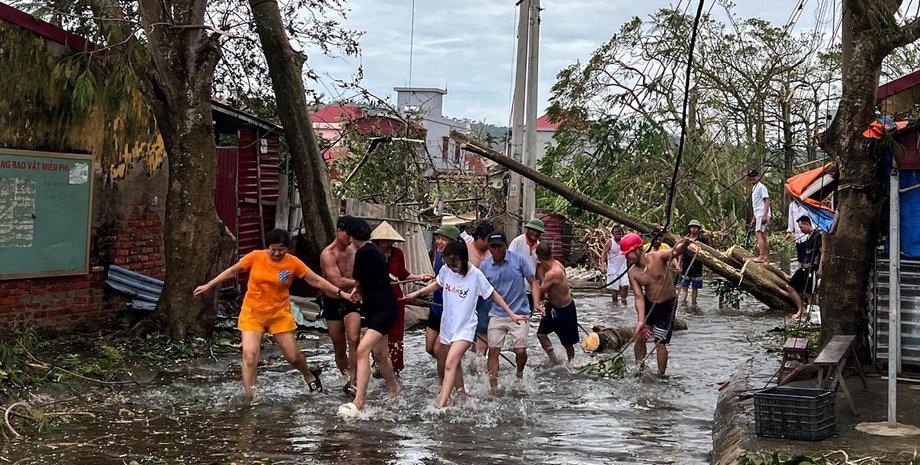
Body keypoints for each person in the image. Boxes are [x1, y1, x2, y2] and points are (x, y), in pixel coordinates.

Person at [193, 228, 350, 402]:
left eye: (281, 249)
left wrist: (340, 293)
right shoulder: (256, 256)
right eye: (272, 249)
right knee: (250, 355)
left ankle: (308, 375)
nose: (276, 253)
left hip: (279, 314)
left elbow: (316, 280)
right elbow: (233, 271)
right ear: (267, 247)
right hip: (253, 312)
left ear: (287, 248)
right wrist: (209, 285)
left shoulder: (293, 263)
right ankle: (250, 396)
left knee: (293, 357)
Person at [404, 242, 524, 407]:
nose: (452, 267)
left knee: (450, 363)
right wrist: (417, 293)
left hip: (466, 328)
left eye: (455, 264)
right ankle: (461, 394)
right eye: (448, 264)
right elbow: (438, 283)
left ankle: (441, 404)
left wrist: (511, 313)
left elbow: (492, 294)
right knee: (452, 360)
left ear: (463, 259)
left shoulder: (475, 275)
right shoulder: (446, 270)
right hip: (448, 325)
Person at [339, 218, 400, 415]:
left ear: (351, 236)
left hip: (382, 308)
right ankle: (394, 389)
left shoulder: (363, 252)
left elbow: (358, 280)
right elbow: (367, 281)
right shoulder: (374, 250)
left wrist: (356, 291)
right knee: (380, 354)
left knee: (362, 349)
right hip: (379, 307)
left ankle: (359, 400)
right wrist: (360, 292)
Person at [622, 232, 693, 377]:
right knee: (641, 337)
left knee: (660, 341)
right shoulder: (633, 273)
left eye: (628, 253)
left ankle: (661, 375)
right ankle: (639, 370)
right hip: (649, 303)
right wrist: (641, 321)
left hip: (667, 304)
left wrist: (685, 244)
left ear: (638, 249)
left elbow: (674, 252)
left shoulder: (657, 257)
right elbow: (638, 297)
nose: (626, 257)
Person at [369, 221, 433, 375]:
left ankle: (395, 367)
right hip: (377, 300)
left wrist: (420, 277)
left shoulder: (397, 253)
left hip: (396, 299)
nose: (387, 243)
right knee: (377, 333)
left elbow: (403, 274)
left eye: (390, 240)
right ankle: (378, 363)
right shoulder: (370, 254)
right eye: (384, 240)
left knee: (396, 334)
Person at [481, 232, 541, 391]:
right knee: (493, 351)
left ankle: (519, 374)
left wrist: (536, 303)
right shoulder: (485, 266)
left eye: (499, 246)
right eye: (493, 247)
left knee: (520, 351)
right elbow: (481, 291)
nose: (496, 250)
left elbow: (533, 282)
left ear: (505, 246)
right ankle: (493, 388)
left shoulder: (518, 260)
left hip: (520, 312)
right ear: (489, 248)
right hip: (497, 313)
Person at [320, 216, 361, 394]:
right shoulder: (328, 254)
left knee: (353, 338)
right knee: (339, 345)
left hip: (352, 301)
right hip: (333, 301)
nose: (351, 239)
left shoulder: (356, 249)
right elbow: (335, 280)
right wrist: (360, 282)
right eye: (348, 235)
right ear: (339, 231)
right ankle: (346, 376)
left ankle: (355, 378)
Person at [534, 243, 579, 365]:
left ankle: (571, 363)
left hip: (565, 309)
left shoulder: (554, 272)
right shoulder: (553, 265)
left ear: (539, 258)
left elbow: (540, 290)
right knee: (541, 334)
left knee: (567, 343)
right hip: (552, 306)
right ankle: (553, 359)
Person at [427, 224, 461, 383]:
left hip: (449, 312)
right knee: (430, 348)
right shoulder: (437, 255)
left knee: (438, 349)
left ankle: (444, 382)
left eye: (443, 239)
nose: (439, 242)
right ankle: (452, 364)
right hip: (436, 307)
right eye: (438, 238)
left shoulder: (458, 263)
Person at [787, 215, 823, 321]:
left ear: (807, 224)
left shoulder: (818, 236)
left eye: (801, 227)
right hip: (805, 267)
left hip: (812, 268)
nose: (800, 230)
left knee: (810, 294)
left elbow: (822, 252)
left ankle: (813, 317)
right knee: (790, 287)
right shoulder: (808, 236)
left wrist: (820, 268)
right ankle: (801, 309)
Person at [467, 222, 495, 355]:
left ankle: (480, 358)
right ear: (478, 238)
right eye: (487, 241)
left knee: (484, 327)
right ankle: (470, 355)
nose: (490, 245)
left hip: (486, 296)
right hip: (468, 295)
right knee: (469, 327)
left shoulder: (492, 252)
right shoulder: (466, 249)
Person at [509, 218, 544, 308]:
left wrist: (542, 286)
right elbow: (509, 263)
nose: (535, 233)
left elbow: (539, 267)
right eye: (533, 230)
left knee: (528, 314)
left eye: (538, 231)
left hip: (531, 289)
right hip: (516, 289)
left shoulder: (539, 246)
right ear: (527, 229)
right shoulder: (517, 242)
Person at [678, 220, 709, 307]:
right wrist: (679, 264)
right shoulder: (685, 239)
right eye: (692, 227)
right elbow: (681, 252)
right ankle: (683, 303)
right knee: (684, 287)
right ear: (689, 228)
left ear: (698, 229)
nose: (693, 229)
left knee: (695, 287)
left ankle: (694, 303)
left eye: (695, 227)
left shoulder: (702, 240)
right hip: (686, 265)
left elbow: (707, 252)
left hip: (697, 266)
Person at [600, 225, 630, 307]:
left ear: (622, 233)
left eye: (619, 232)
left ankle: (624, 303)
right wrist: (603, 265)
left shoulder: (625, 241)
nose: (618, 233)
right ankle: (615, 306)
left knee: (625, 285)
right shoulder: (610, 242)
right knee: (615, 291)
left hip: (623, 269)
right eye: (616, 232)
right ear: (613, 233)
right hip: (613, 270)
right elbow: (604, 254)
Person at [748, 168, 771, 263]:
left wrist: (765, 215)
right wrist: (754, 217)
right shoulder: (754, 188)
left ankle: (761, 256)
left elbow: (767, 200)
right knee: (763, 235)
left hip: (762, 213)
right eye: (750, 177)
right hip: (758, 214)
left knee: (759, 234)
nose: (752, 178)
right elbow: (756, 204)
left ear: (758, 176)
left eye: (754, 176)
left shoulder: (761, 187)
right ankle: (766, 257)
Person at [785, 201, 809, 268]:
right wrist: (789, 232)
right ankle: (800, 273)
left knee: (807, 258)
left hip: (807, 236)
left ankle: (807, 275)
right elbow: (791, 219)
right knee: (800, 258)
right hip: (798, 236)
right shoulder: (792, 205)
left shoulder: (806, 203)